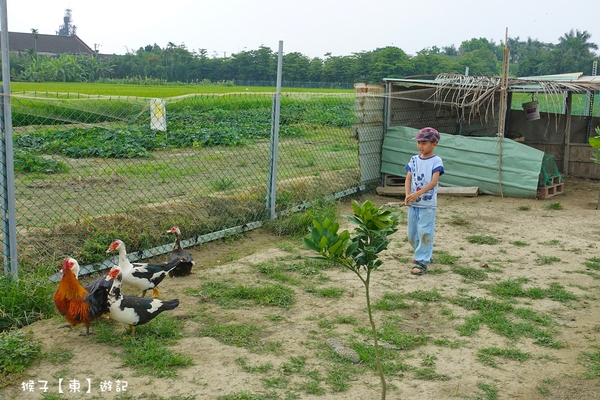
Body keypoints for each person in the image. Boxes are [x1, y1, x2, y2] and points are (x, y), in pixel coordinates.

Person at [404, 127, 444, 275]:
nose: (420, 146)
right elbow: (408, 178)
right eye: (419, 142)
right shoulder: (414, 159)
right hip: (413, 204)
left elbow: (434, 182)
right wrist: (408, 195)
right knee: (412, 234)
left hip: (427, 204)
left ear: (434, 144)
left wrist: (418, 194)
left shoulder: (436, 161)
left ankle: (422, 261)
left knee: (424, 232)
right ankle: (423, 254)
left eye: (424, 143)